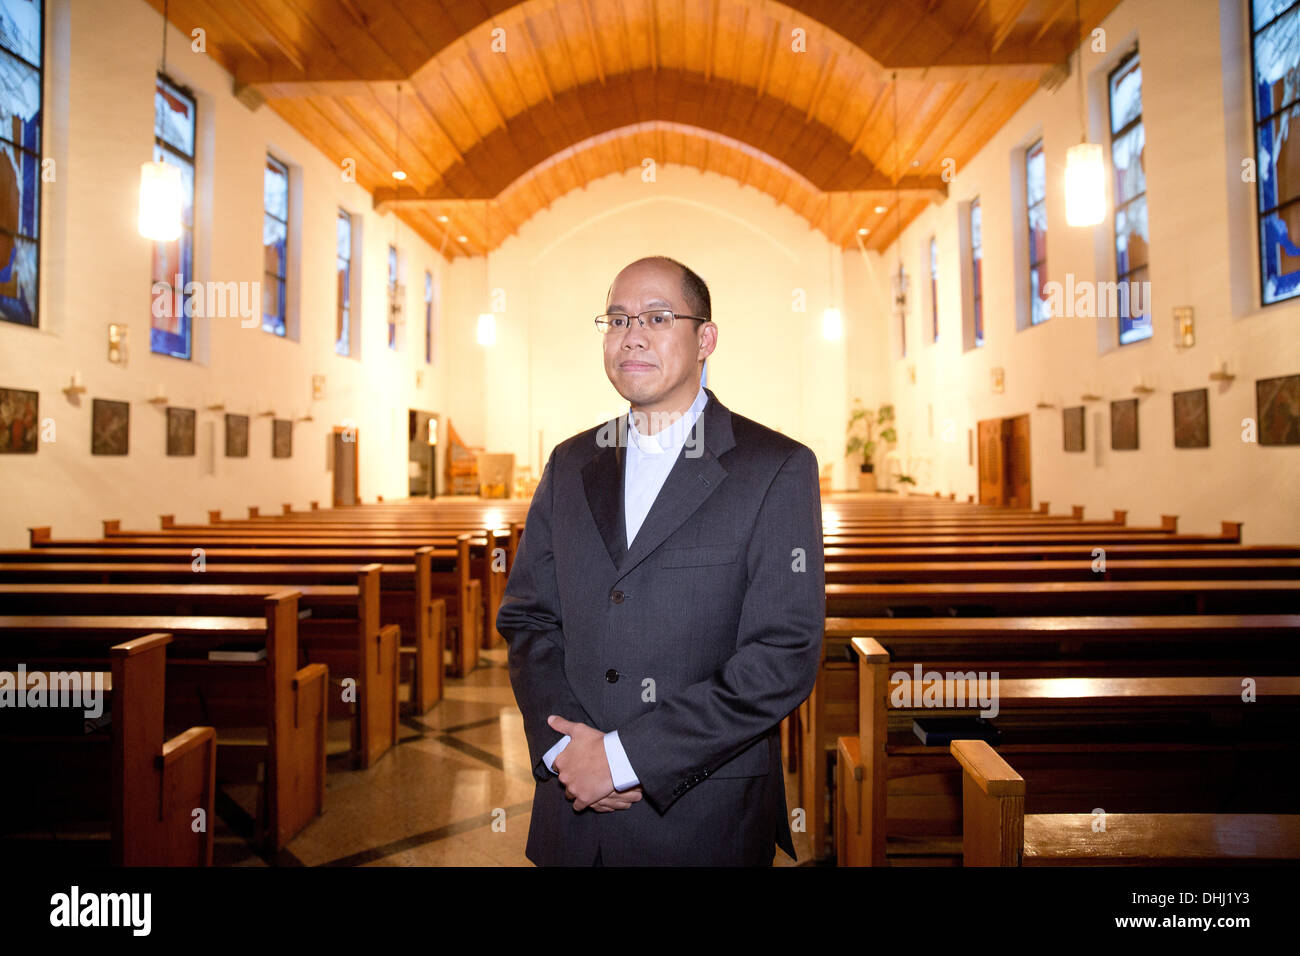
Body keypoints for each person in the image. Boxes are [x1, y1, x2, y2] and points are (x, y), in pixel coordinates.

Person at [496, 255, 825, 866]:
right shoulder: (571, 464)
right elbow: (528, 619)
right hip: (573, 814)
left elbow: (784, 652)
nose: (633, 335)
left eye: (657, 316)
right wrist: (565, 751)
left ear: (706, 339)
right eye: (617, 320)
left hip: (702, 817)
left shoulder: (774, 467)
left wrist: (624, 758)